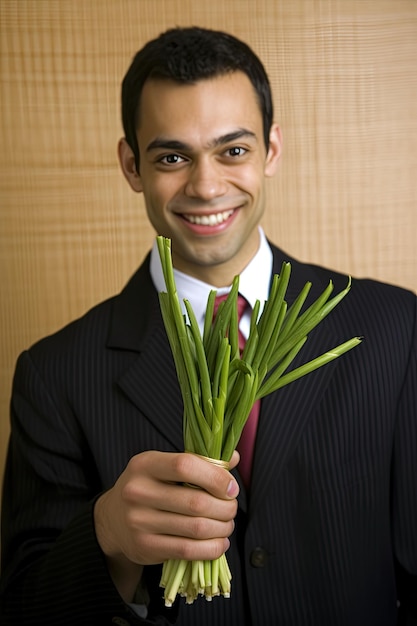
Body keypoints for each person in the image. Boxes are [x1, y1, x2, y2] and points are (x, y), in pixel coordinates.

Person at [0, 26, 416, 626]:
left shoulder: (391, 329)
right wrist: (107, 536)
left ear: (271, 149)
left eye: (233, 150)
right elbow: (24, 605)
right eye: (172, 157)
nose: (206, 185)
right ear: (131, 165)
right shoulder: (54, 373)